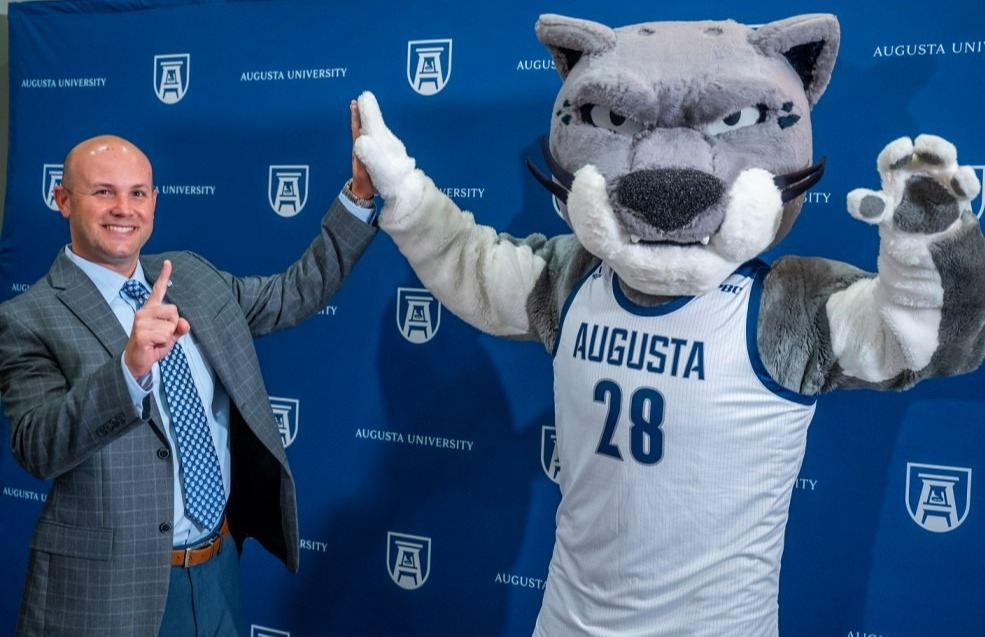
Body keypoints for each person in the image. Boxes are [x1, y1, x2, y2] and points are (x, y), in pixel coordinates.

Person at [0, 101, 378, 636]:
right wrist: (127, 371)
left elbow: (294, 293)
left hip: (217, 570)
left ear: (154, 203)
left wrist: (359, 197)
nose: (122, 209)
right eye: (102, 192)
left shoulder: (192, 276)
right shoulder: (26, 318)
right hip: (108, 595)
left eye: (137, 193)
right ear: (62, 200)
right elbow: (37, 447)